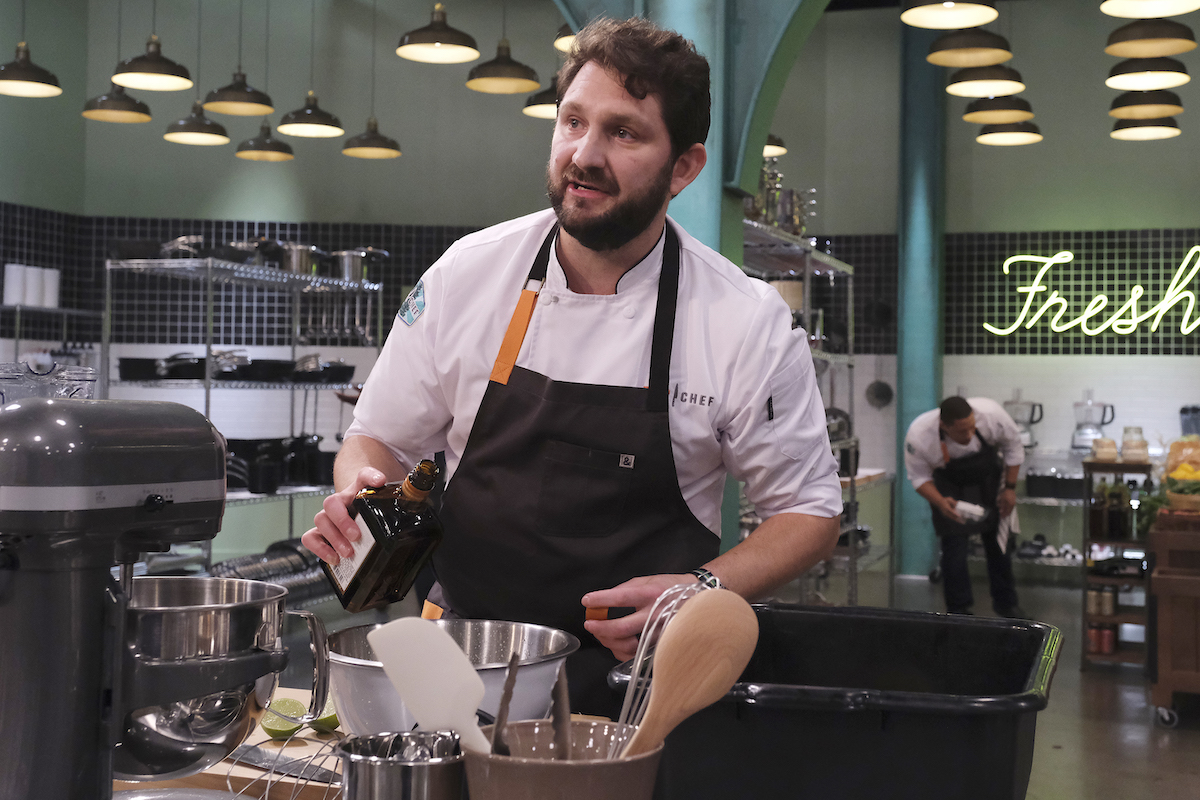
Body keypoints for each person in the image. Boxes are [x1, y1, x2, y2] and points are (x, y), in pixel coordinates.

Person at [302, 17, 843, 715]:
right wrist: (362, 495)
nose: (584, 154)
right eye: (573, 122)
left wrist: (704, 589)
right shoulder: (469, 275)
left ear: (684, 167)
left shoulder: (743, 321)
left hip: (639, 690)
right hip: (462, 667)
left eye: (624, 133)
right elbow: (378, 439)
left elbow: (807, 511)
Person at [904, 395, 1027, 617]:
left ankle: (1007, 605)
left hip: (987, 480)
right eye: (962, 431)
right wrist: (940, 502)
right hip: (949, 486)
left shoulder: (991, 414)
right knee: (954, 549)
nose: (970, 435)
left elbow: (1013, 446)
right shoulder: (919, 435)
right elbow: (919, 477)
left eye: (972, 427)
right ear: (944, 426)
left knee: (999, 545)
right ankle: (958, 611)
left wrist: (1010, 488)